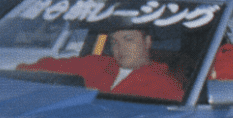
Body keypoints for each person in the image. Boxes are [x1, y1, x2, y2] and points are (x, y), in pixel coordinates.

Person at [17, 24, 184, 101]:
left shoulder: (166, 85)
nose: (120, 48)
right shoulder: (97, 63)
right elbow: (39, 68)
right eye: (114, 42)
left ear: (147, 42)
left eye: (128, 39)